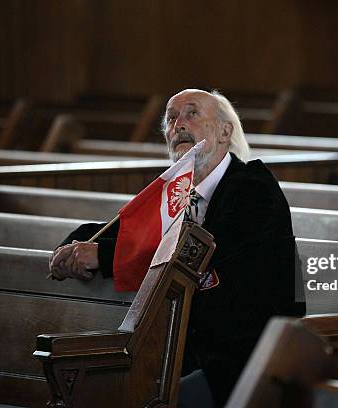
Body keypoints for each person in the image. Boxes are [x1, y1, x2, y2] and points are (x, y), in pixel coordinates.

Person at [49, 89, 304, 407]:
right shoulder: (179, 189)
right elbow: (123, 232)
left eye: (192, 113)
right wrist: (73, 248)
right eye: (171, 118)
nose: (178, 124)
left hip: (246, 360)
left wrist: (102, 255)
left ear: (225, 131)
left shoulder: (254, 187)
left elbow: (198, 253)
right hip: (180, 351)